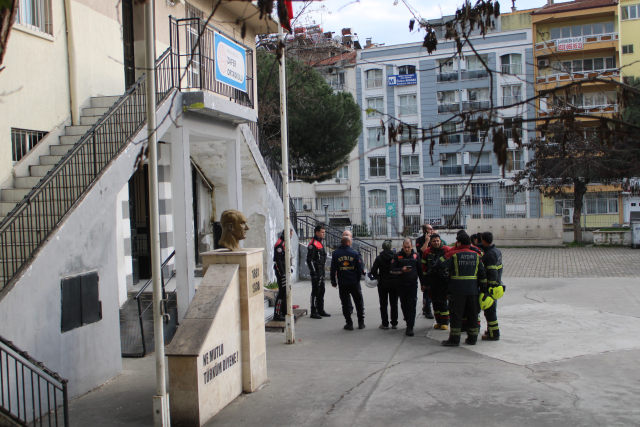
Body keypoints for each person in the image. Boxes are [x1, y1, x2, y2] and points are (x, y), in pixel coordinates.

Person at [437, 232, 487, 346]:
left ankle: (454, 339)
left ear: (458, 242)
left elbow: (440, 263)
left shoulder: (454, 254)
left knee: (456, 315)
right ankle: (472, 338)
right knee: (473, 314)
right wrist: (483, 290)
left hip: (457, 291)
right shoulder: (477, 255)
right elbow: (482, 275)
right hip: (473, 291)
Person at [391, 238, 426, 336]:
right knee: (404, 305)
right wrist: (401, 270)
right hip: (401, 285)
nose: (407, 249)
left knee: (411, 306)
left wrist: (423, 284)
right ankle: (407, 319)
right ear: (402, 246)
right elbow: (392, 270)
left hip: (412, 285)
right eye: (405, 247)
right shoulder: (397, 256)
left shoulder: (416, 256)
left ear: (412, 246)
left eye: (409, 247)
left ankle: (410, 326)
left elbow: (420, 271)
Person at [330, 236, 365, 330]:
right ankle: (361, 322)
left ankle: (349, 323)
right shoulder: (355, 253)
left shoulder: (336, 254)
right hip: (354, 281)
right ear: (348, 243)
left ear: (342, 243)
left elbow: (333, 269)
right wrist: (357, 279)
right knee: (358, 302)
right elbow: (359, 268)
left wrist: (333, 281)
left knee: (345, 303)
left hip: (343, 282)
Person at [421, 233, 451, 330]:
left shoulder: (447, 250)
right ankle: (438, 321)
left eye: (438, 241)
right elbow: (423, 268)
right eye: (434, 241)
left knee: (443, 301)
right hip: (432, 281)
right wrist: (424, 283)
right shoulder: (427, 252)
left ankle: (445, 322)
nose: (436, 242)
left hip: (443, 281)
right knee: (435, 302)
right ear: (431, 242)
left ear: (440, 241)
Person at [480, 231, 504, 341]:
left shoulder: (489, 255)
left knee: (490, 312)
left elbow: (491, 273)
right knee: (492, 310)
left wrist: (488, 288)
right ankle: (491, 331)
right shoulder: (497, 251)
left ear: (483, 240)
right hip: (497, 286)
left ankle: (494, 334)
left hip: (491, 287)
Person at [370, 240, 398, 330]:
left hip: (383, 283)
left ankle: (385, 324)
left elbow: (373, 271)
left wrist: (378, 276)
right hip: (394, 283)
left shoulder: (379, 258)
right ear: (390, 247)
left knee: (383, 304)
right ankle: (394, 323)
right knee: (394, 303)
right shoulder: (395, 257)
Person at [307, 225, 330, 319]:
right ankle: (313, 311)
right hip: (316, 270)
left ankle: (321, 309)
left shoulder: (320, 242)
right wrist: (313, 272)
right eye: (322, 232)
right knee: (316, 291)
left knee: (322, 290)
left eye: (324, 232)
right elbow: (309, 260)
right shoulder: (313, 244)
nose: (324, 234)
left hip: (321, 270)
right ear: (317, 232)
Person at [273, 229, 293, 321]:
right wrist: (282, 273)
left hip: (285, 270)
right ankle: (277, 314)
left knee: (286, 292)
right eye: (290, 235)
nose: (291, 237)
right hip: (281, 271)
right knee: (282, 292)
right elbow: (277, 260)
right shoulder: (280, 244)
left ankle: (284, 312)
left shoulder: (284, 243)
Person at [415, 224, 435, 320]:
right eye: (430, 229)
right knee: (426, 288)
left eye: (432, 229)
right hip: (423, 267)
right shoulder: (419, 240)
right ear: (425, 230)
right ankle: (427, 309)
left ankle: (426, 306)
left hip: (434, 267)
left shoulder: (434, 239)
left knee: (432, 289)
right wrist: (427, 241)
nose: (432, 230)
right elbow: (422, 251)